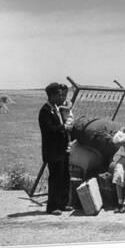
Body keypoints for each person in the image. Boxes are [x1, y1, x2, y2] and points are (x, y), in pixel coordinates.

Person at [38, 82, 74, 215]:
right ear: (52, 95)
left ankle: (63, 203)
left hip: (62, 149)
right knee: (55, 178)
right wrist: (63, 128)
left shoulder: (56, 108)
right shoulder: (45, 111)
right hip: (53, 151)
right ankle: (52, 206)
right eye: (59, 95)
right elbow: (49, 130)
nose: (61, 97)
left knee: (64, 176)